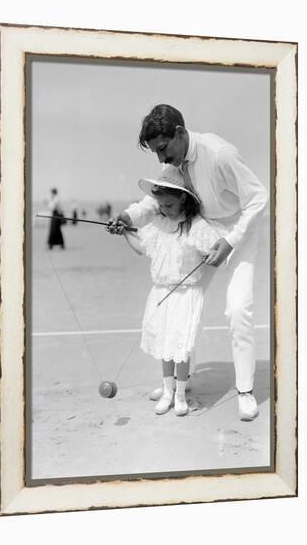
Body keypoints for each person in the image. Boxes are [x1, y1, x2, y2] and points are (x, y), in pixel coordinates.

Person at [108, 104, 268, 421]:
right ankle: (180, 383)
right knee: (183, 301)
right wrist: (127, 217)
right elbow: (154, 200)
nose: (161, 159)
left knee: (237, 309)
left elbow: (258, 197)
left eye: (163, 149)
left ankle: (245, 391)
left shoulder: (220, 153)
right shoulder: (174, 161)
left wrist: (231, 240)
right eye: (155, 152)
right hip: (201, 230)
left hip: (239, 233)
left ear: (180, 133)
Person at [108, 167, 220, 416]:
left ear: (183, 198)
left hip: (186, 294)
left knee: (180, 346)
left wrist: (214, 253)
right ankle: (167, 389)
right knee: (164, 343)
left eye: (169, 205)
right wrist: (125, 232)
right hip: (160, 292)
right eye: (161, 205)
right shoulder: (158, 223)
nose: (164, 210)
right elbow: (143, 248)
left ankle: (180, 395)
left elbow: (216, 247)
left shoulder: (196, 225)